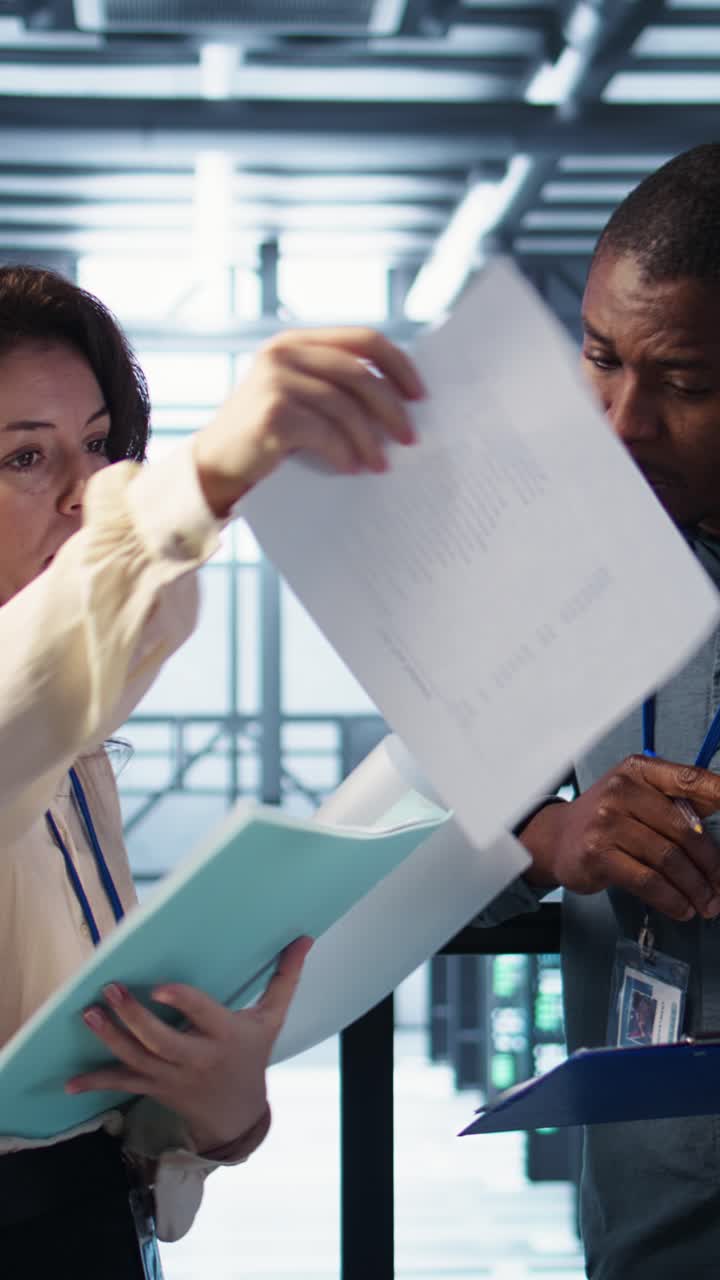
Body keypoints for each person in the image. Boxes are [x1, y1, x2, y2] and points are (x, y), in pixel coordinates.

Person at [0, 264, 424, 1276]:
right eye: (24, 455)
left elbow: (113, 1120)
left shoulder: (73, 741)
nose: (85, 494)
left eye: (101, 445)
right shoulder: (36, 709)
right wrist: (203, 481)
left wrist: (219, 1105)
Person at [478, 142, 720, 1279]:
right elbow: (413, 839)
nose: (623, 421)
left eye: (686, 382)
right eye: (600, 357)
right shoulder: (556, 558)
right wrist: (552, 837)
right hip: (648, 1218)